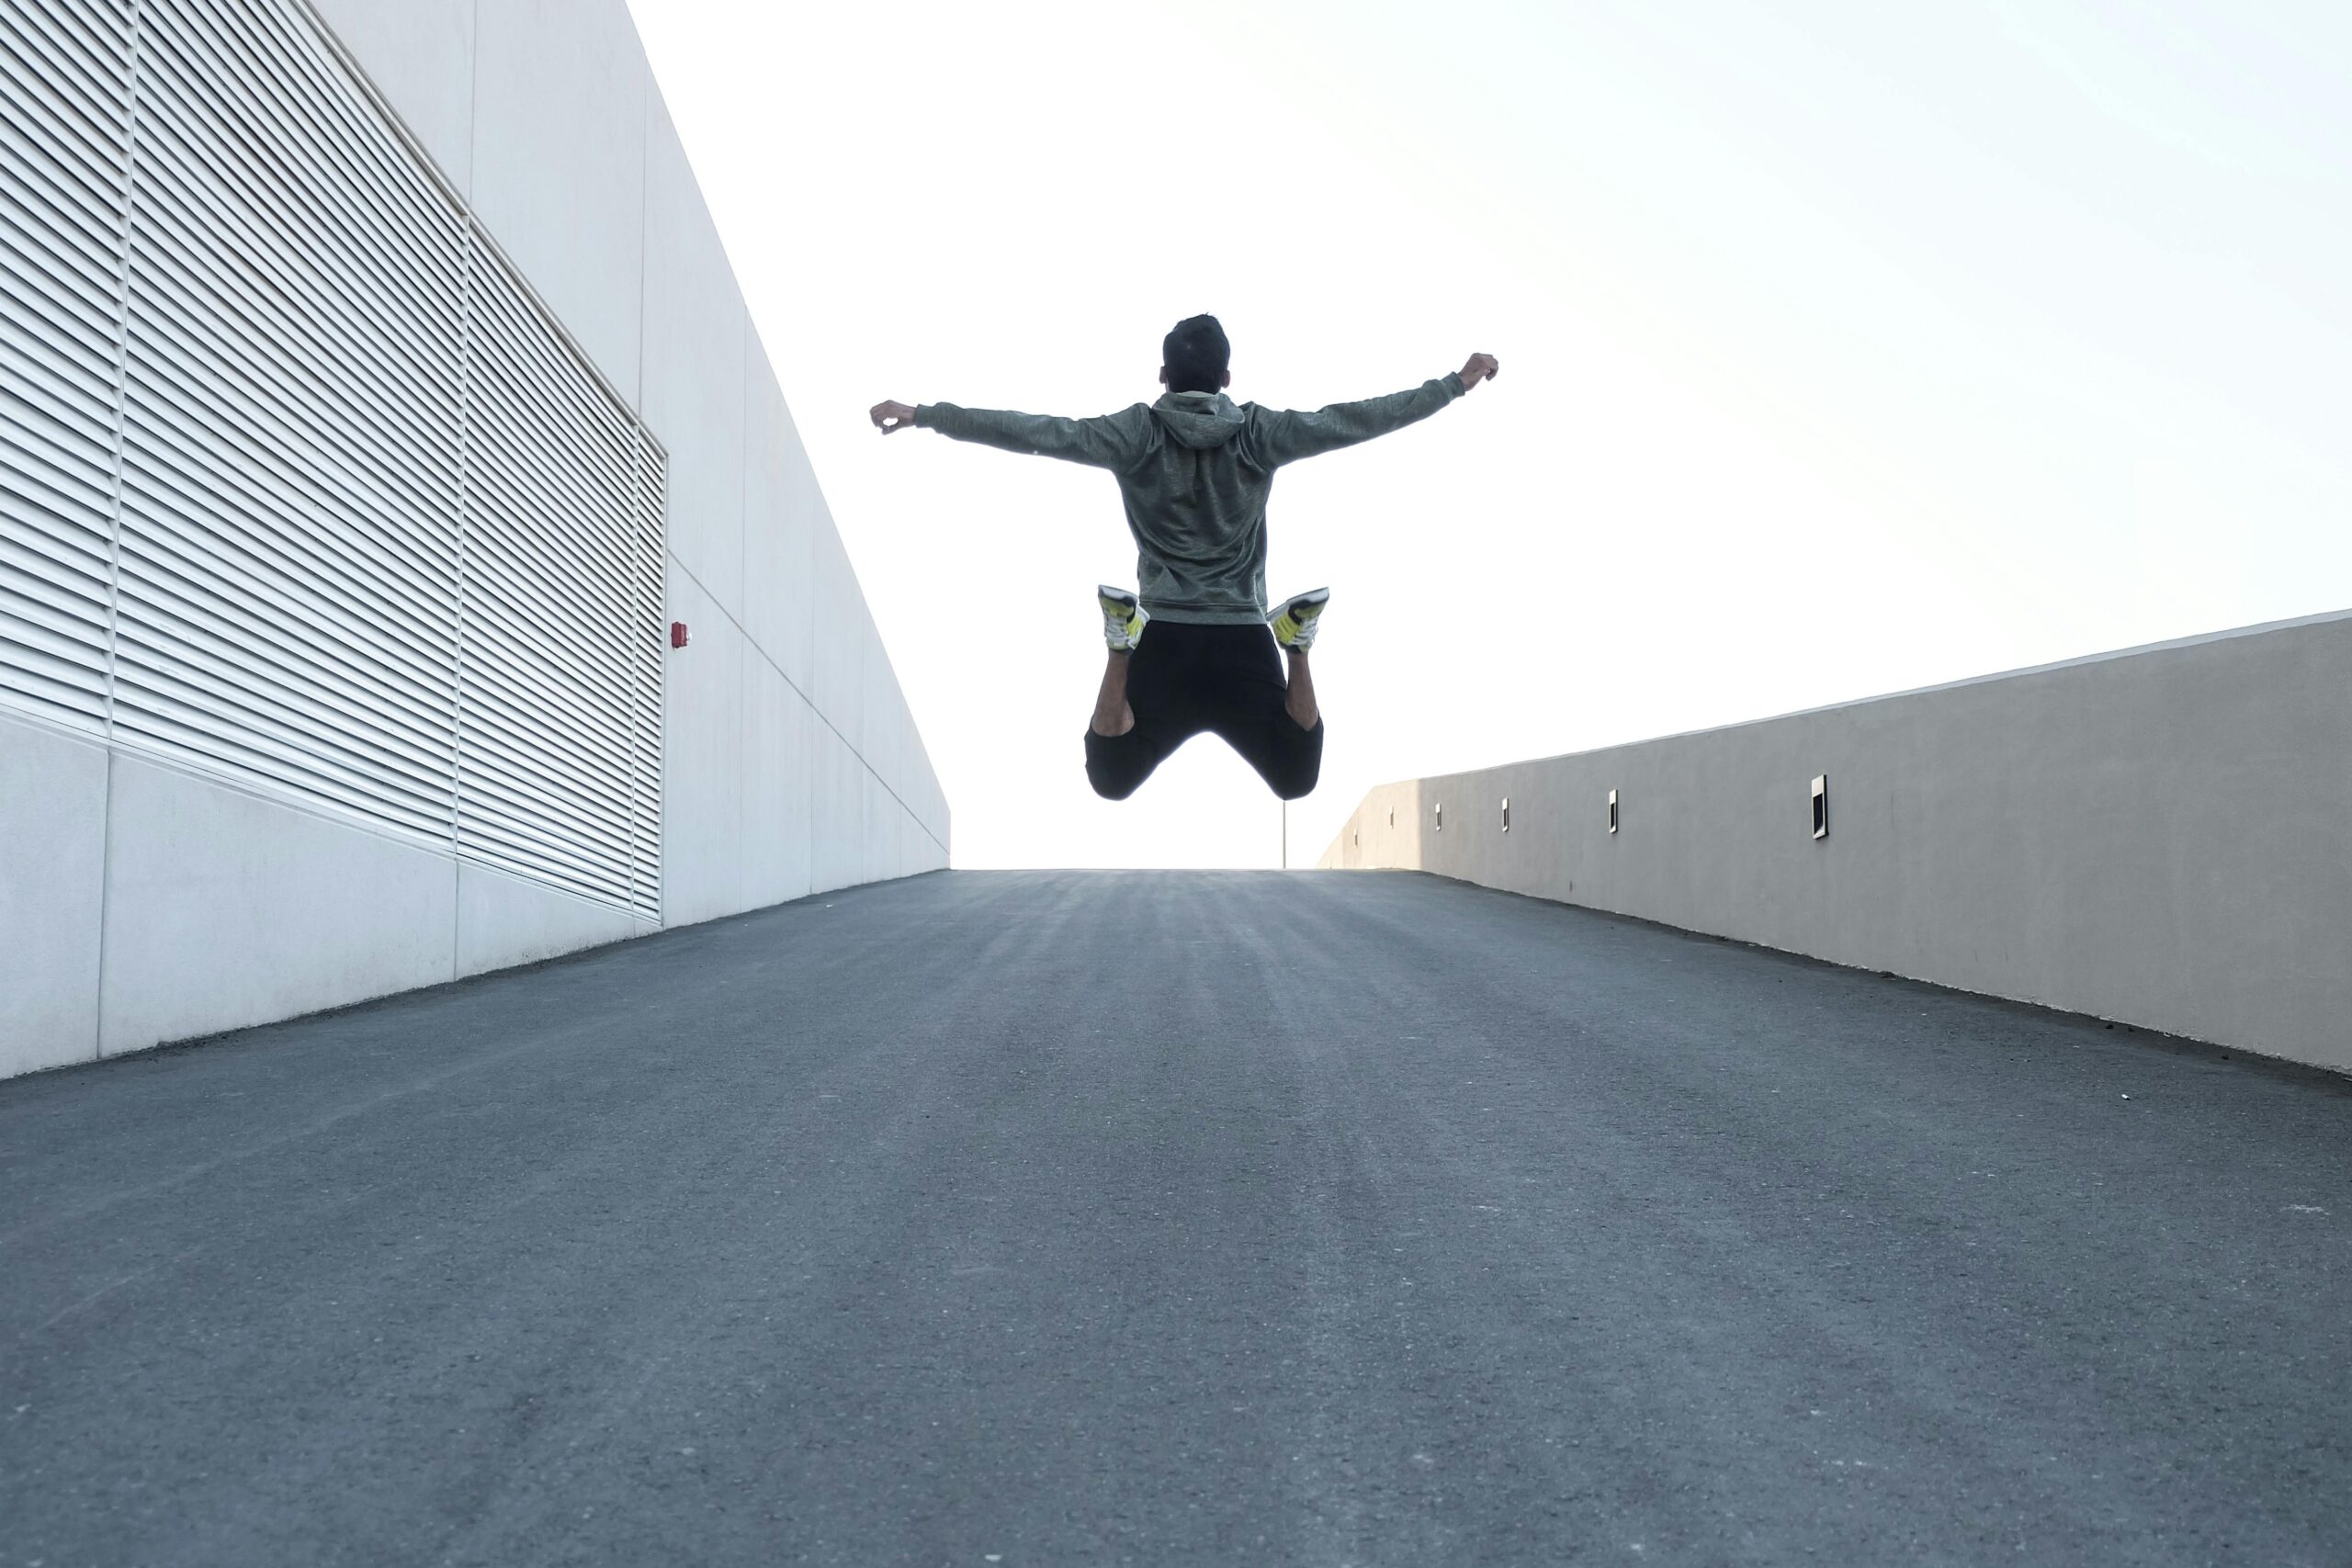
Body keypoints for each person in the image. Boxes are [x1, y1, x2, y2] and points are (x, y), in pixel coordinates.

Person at [869, 315, 1498, 802]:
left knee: (1110, 777)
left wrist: (926, 415)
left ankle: (1121, 642)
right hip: (1242, 638)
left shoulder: (1135, 432)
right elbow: (1354, 420)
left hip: (1162, 636)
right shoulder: (1258, 431)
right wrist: (1453, 385)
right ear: (1227, 379)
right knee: (1296, 775)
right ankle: (1296, 643)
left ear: (1162, 376)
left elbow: (1038, 432)